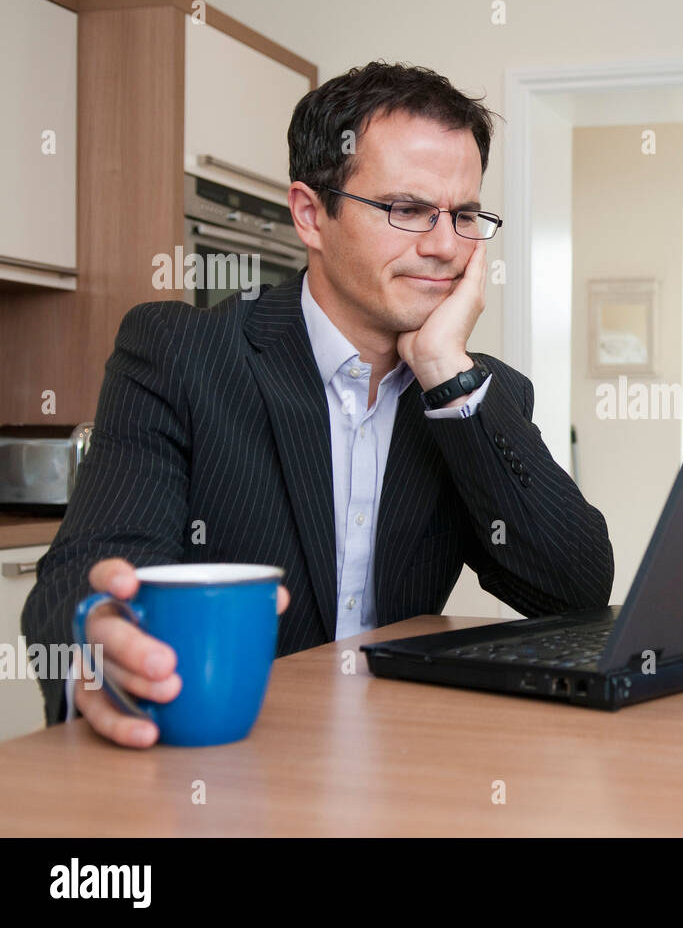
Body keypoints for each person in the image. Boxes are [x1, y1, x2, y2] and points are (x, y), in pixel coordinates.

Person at [20, 61, 615, 747]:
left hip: (397, 765)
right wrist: (100, 640)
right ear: (310, 214)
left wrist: (446, 373)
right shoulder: (179, 354)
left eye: (465, 215)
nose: (447, 245)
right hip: (222, 758)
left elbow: (575, 591)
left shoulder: (480, 395)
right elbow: (84, 570)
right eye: (408, 209)